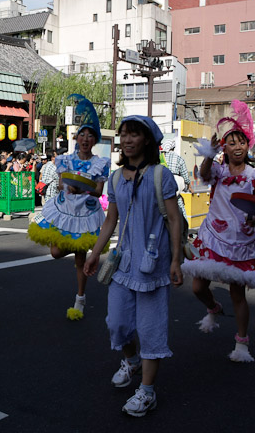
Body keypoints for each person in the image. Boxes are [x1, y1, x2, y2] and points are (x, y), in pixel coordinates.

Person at [83, 115, 183, 418]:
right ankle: (131, 361)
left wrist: (176, 259)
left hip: (153, 264)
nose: (126, 140)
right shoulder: (115, 178)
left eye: (134, 135)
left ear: (147, 140)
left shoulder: (160, 175)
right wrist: (95, 252)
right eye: (123, 135)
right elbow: (111, 220)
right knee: (117, 323)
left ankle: (147, 392)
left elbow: (174, 219)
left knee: (151, 331)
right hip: (124, 263)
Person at [183, 100, 255, 363]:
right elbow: (203, 175)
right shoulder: (218, 169)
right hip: (213, 236)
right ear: (224, 148)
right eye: (231, 143)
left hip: (241, 240)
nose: (237, 147)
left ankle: (241, 344)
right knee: (196, 286)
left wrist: (253, 217)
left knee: (238, 294)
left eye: (241, 142)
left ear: (247, 145)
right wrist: (208, 154)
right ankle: (213, 307)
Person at [28, 95, 109, 320]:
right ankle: (75, 248)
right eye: (82, 134)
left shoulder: (101, 163)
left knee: (81, 260)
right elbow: (62, 183)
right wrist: (70, 186)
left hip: (86, 212)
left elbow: (99, 190)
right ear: (76, 138)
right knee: (55, 252)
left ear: (95, 140)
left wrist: (83, 188)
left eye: (90, 135)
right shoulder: (65, 160)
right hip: (65, 210)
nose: (85, 138)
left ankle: (80, 299)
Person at [161, 139, 192, 217]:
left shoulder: (159, 157)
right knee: (181, 214)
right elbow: (185, 178)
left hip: (161, 193)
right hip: (175, 193)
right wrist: (188, 187)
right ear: (173, 148)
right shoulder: (179, 158)